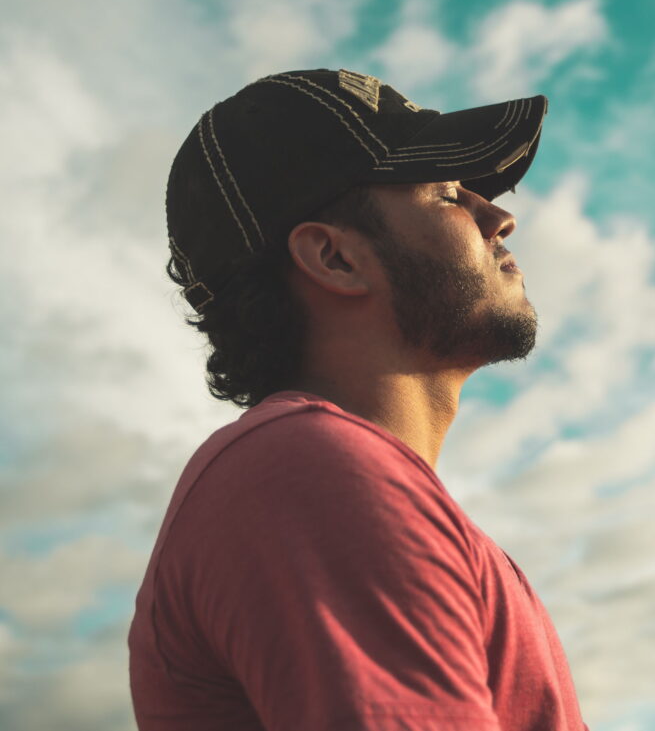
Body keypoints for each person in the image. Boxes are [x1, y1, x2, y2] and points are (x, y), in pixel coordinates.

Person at [128, 68, 590, 730]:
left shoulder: (326, 476)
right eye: (445, 194)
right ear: (334, 258)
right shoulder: (308, 472)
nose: (499, 215)